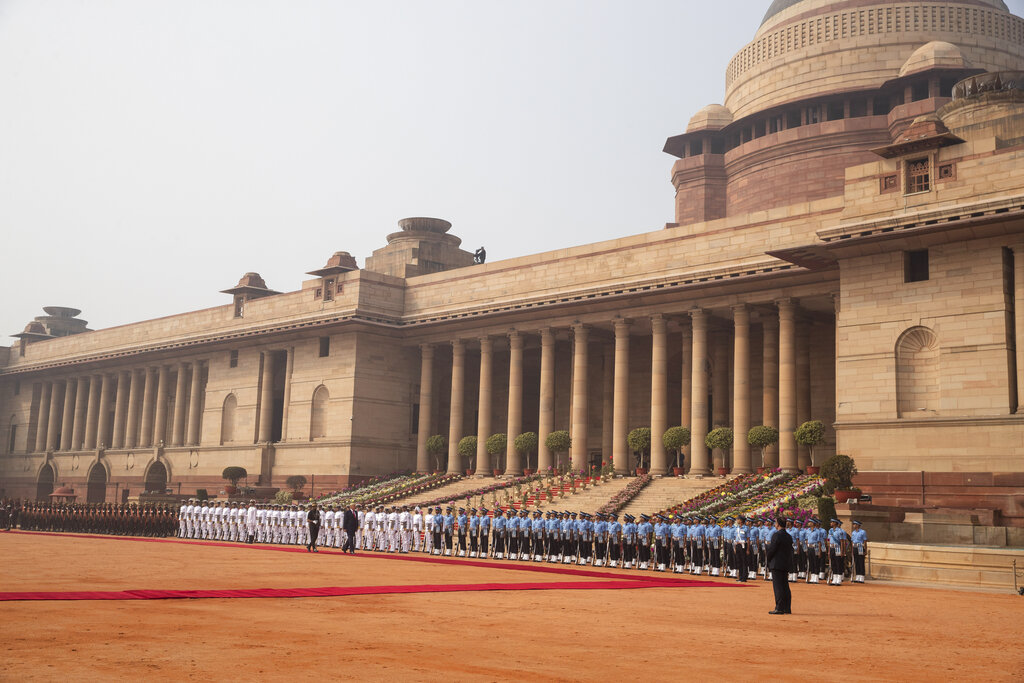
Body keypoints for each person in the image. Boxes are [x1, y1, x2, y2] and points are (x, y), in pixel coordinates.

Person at [766, 516, 794, 615]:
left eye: (775, 522)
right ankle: (787, 607)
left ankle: (779, 608)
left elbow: (772, 549)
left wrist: (768, 558)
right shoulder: (788, 536)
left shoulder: (776, 535)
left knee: (778, 587)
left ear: (778, 524)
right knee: (785, 586)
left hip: (776, 563)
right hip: (785, 563)